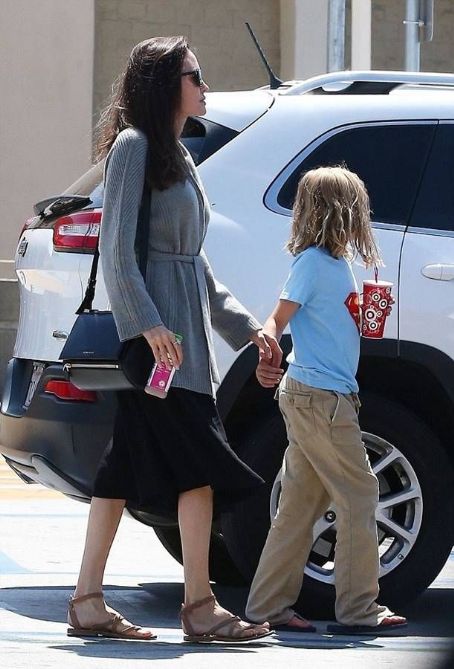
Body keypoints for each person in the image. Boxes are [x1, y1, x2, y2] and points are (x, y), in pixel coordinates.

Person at [66, 36, 278, 643]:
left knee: (121, 467)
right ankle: (200, 606)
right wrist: (148, 323)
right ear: (167, 83)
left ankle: (87, 600)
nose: (205, 85)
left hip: (181, 343)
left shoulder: (177, 156)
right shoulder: (133, 148)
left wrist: (247, 330)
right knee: (199, 467)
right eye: (196, 74)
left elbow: (195, 264)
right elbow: (115, 247)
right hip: (161, 345)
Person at [245, 166, 407, 635]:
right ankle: (359, 608)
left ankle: (267, 607)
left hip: (319, 395)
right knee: (361, 494)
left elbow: (320, 323)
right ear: (343, 212)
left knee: (299, 504)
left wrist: (358, 315)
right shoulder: (314, 263)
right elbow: (278, 318)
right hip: (321, 397)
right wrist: (268, 347)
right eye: (359, 206)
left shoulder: (336, 266)